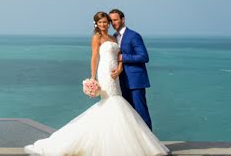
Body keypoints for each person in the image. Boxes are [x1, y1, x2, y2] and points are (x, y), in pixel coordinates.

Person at [24, 11, 169, 156]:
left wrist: (119, 68)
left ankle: (139, 143)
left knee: (125, 108)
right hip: (105, 74)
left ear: (117, 21)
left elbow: (127, 57)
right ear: (96, 24)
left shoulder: (116, 37)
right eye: (102, 22)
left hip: (119, 76)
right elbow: (94, 58)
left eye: (107, 21)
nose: (106, 24)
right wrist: (93, 78)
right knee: (112, 104)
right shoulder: (97, 37)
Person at [109, 8, 153, 129]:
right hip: (120, 81)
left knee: (141, 111)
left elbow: (144, 57)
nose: (113, 23)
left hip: (135, 81)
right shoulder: (113, 37)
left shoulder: (134, 35)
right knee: (127, 114)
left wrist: (123, 57)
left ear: (123, 20)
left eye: (116, 20)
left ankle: (150, 143)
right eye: (111, 20)